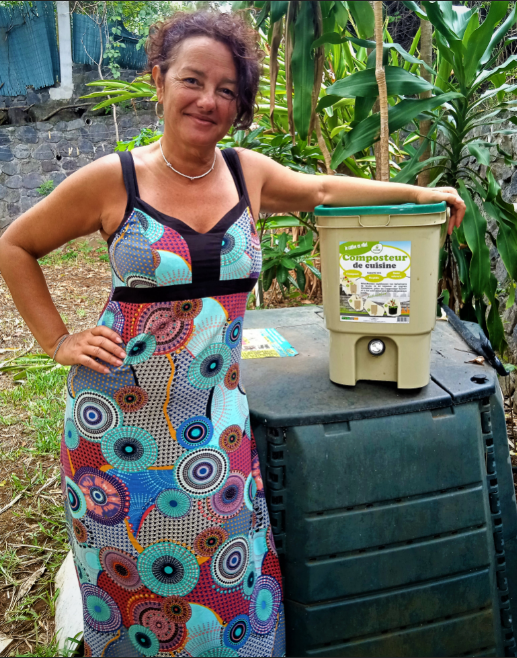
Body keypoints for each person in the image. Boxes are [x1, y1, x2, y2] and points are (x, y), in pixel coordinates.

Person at [0, 9, 465, 657]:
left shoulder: (246, 173)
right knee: (133, 581)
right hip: (117, 434)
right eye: (193, 80)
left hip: (215, 425)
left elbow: (324, 190)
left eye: (226, 90)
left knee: (228, 578)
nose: (208, 100)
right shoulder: (115, 180)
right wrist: (57, 341)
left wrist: (417, 197)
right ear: (158, 80)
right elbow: (15, 246)